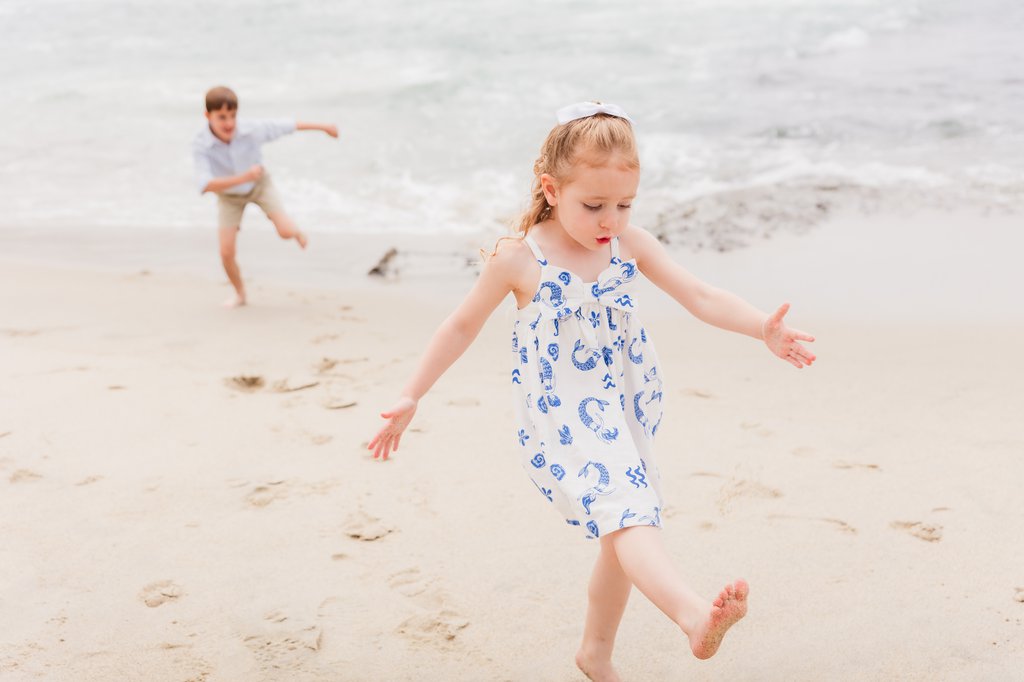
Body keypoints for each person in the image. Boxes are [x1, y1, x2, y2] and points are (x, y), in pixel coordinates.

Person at [367, 102, 816, 680]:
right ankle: (691, 616)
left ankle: (594, 654)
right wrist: (412, 394)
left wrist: (762, 328)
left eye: (625, 205)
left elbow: (699, 295)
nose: (611, 219)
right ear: (551, 190)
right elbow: (459, 326)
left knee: (620, 533)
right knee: (630, 514)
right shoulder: (519, 259)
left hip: (626, 403)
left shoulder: (626, 244)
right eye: (595, 205)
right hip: (564, 414)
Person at [192, 86, 338, 307]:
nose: (229, 123)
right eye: (221, 117)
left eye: (232, 116)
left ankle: (296, 231)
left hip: (260, 185)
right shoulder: (201, 144)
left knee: (285, 232)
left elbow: (288, 126)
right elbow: (205, 185)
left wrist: (324, 127)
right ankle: (240, 294)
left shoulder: (251, 130)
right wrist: (243, 177)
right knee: (226, 252)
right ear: (207, 116)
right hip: (228, 197)